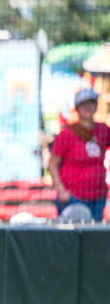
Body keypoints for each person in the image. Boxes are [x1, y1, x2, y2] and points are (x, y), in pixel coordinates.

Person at [49, 88, 109, 221]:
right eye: (84, 104)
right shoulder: (67, 134)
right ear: (77, 108)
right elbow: (52, 165)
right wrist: (61, 190)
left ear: (96, 106)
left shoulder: (103, 130)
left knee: (93, 238)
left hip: (98, 196)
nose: (88, 107)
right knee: (70, 238)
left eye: (91, 103)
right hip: (73, 197)